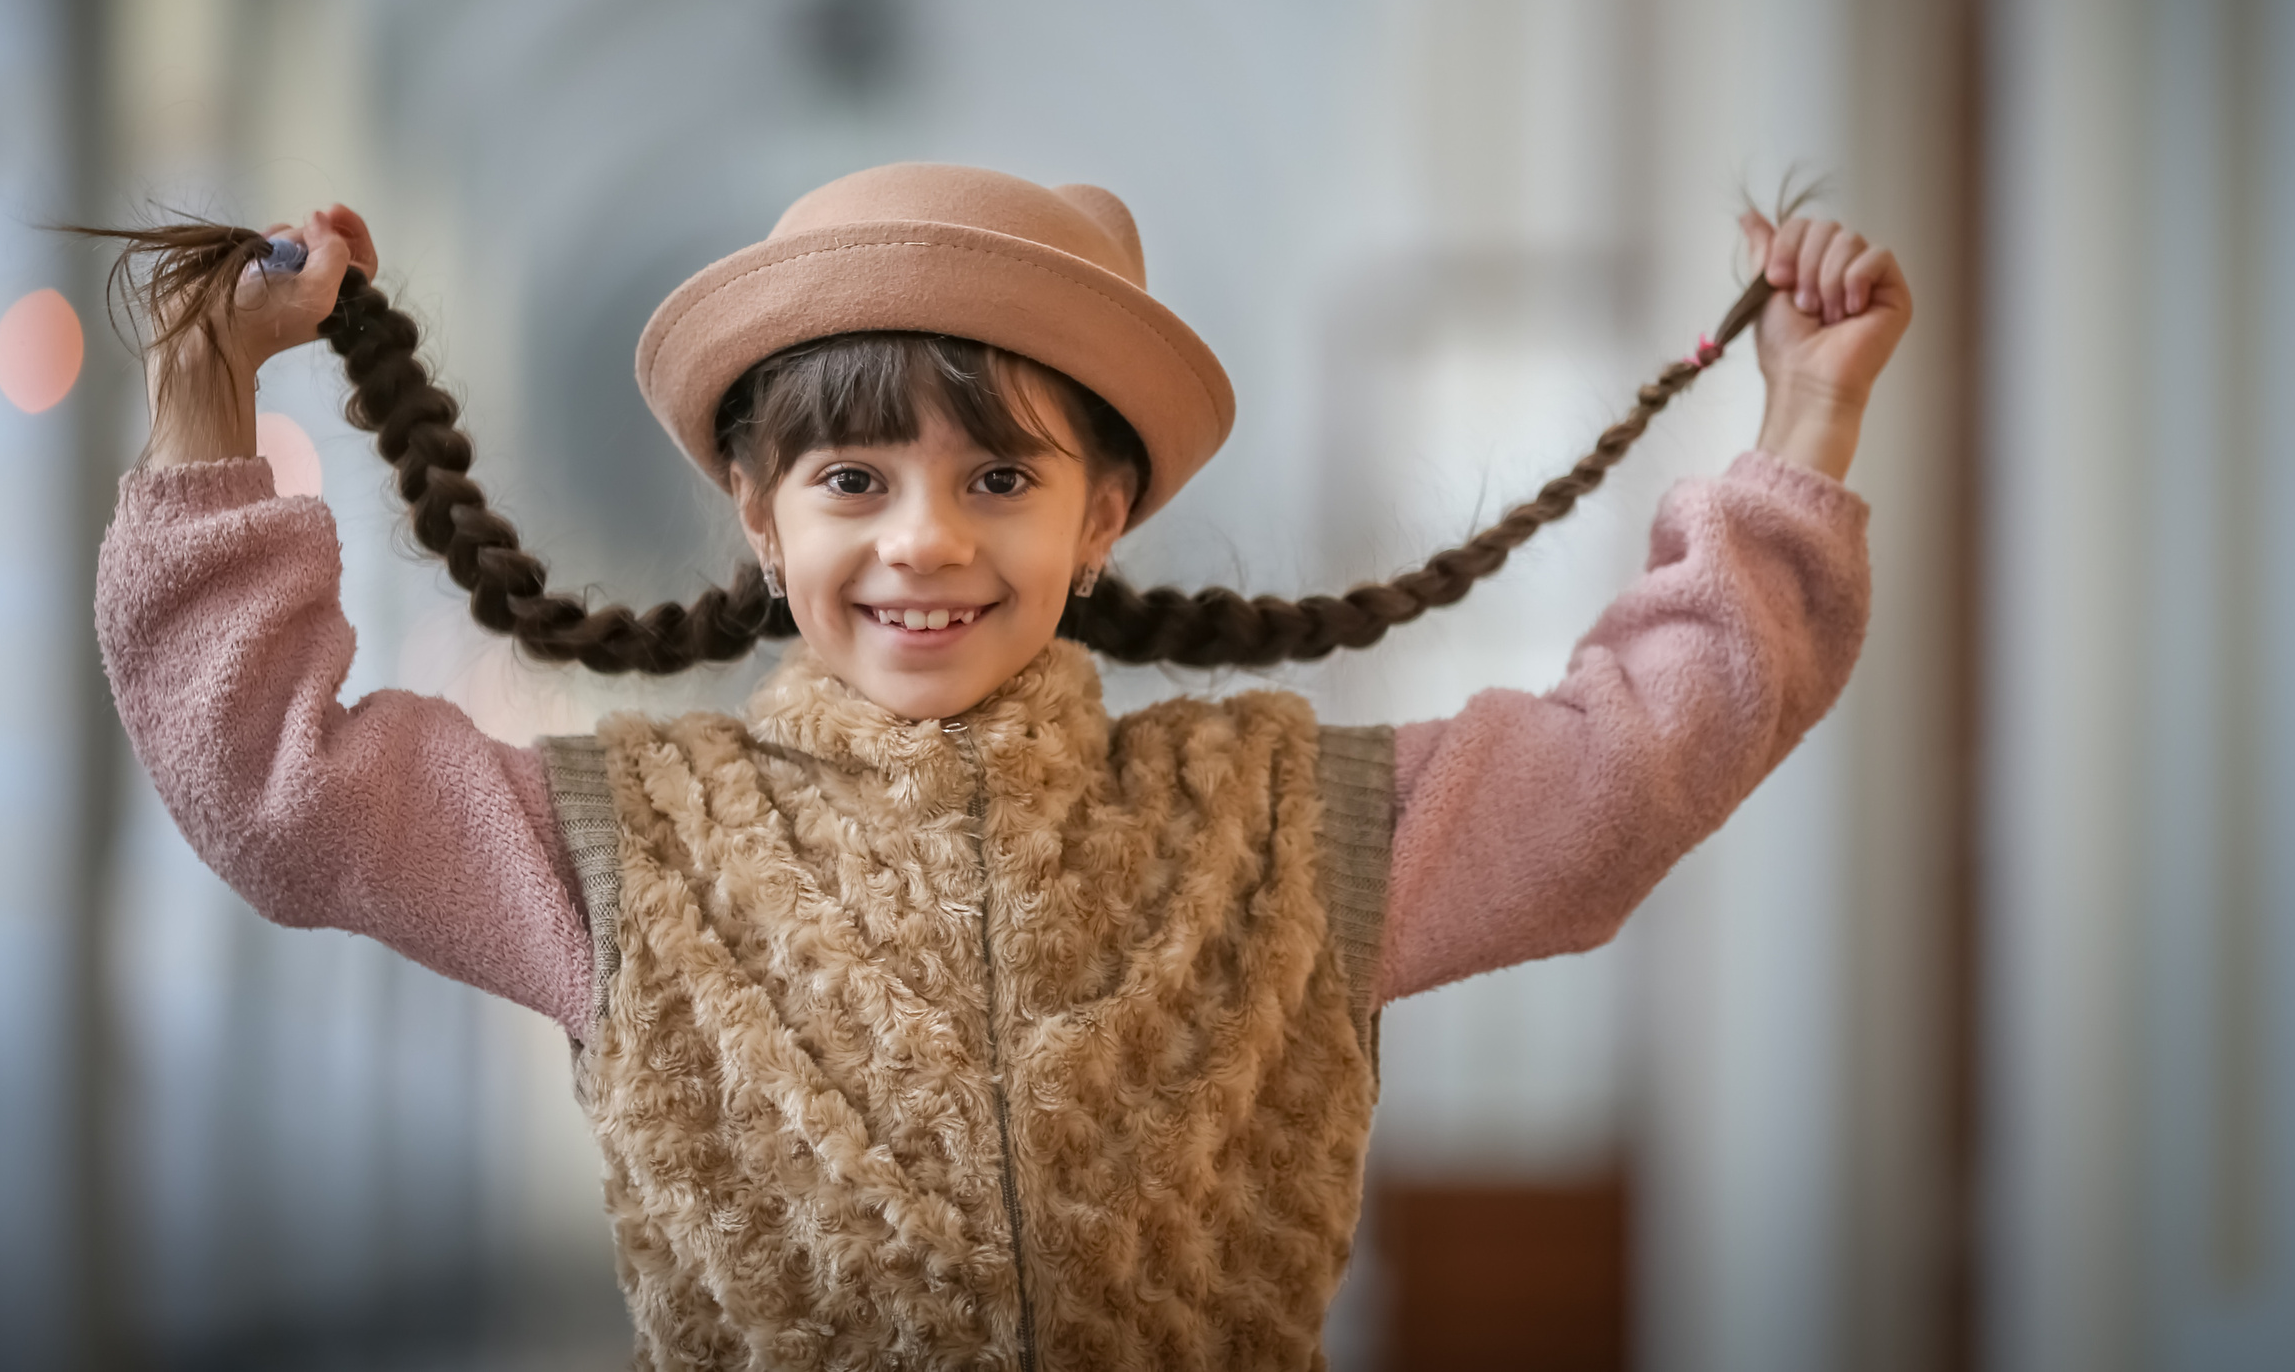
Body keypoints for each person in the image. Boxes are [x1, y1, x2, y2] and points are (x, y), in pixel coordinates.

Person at [92, 162, 1907, 1370]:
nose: (925, 542)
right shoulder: (624, 843)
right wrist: (201, 405)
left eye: (1004, 480)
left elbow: (1622, 774)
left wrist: (1807, 419)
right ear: (758, 510)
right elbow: (283, 793)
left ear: (1105, 513)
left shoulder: (1290, 826)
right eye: (853, 480)